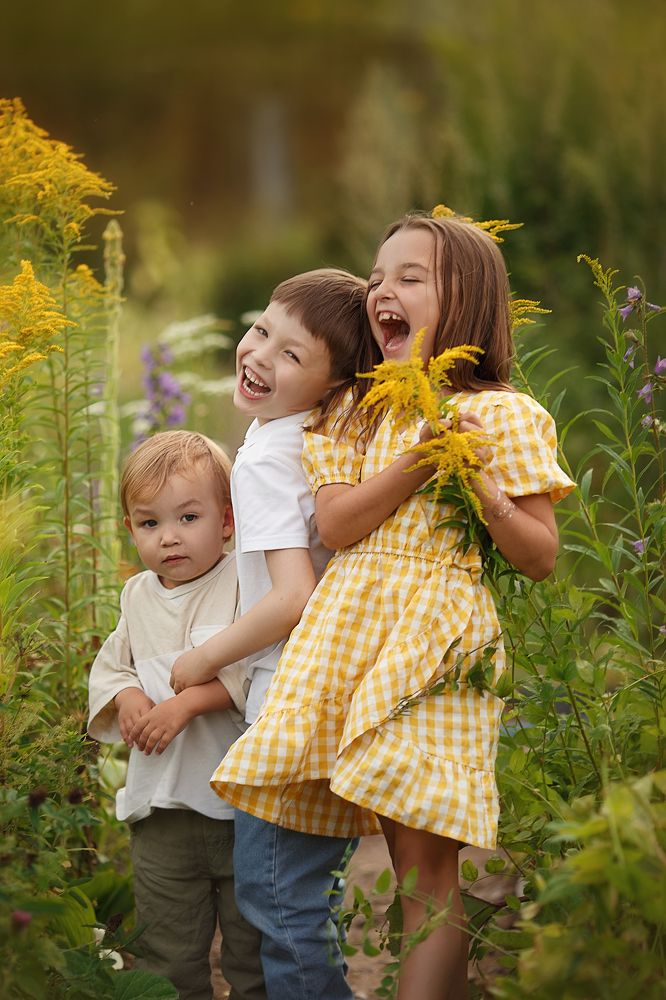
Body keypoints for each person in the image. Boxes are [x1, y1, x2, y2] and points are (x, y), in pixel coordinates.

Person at [210, 212, 576, 1000]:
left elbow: (540, 556)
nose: (384, 291)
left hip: (432, 646)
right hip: (346, 639)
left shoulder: (503, 413)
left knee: (424, 871)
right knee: (298, 846)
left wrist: (483, 488)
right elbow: (338, 522)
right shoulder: (355, 410)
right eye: (378, 278)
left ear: (469, 299)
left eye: (410, 277)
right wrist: (420, 459)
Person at [168, 269, 372, 1000]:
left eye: (292, 356)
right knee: (298, 896)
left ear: (332, 382)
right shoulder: (321, 438)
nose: (258, 356)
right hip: (334, 696)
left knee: (279, 901)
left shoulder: (265, 458)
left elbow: (291, 597)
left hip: (294, 701)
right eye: (262, 331)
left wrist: (202, 657)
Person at [87, 430, 266, 1000]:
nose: (169, 538)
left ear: (228, 521)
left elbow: (257, 669)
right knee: (170, 951)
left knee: (252, 948)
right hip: (161, 807)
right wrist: (129, 698)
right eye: (150, 523)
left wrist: (190, 700)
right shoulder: (137, 596)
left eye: (189, 517)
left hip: (240, 806)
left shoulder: (243, 580)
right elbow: (111, 667)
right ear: (131, 530)